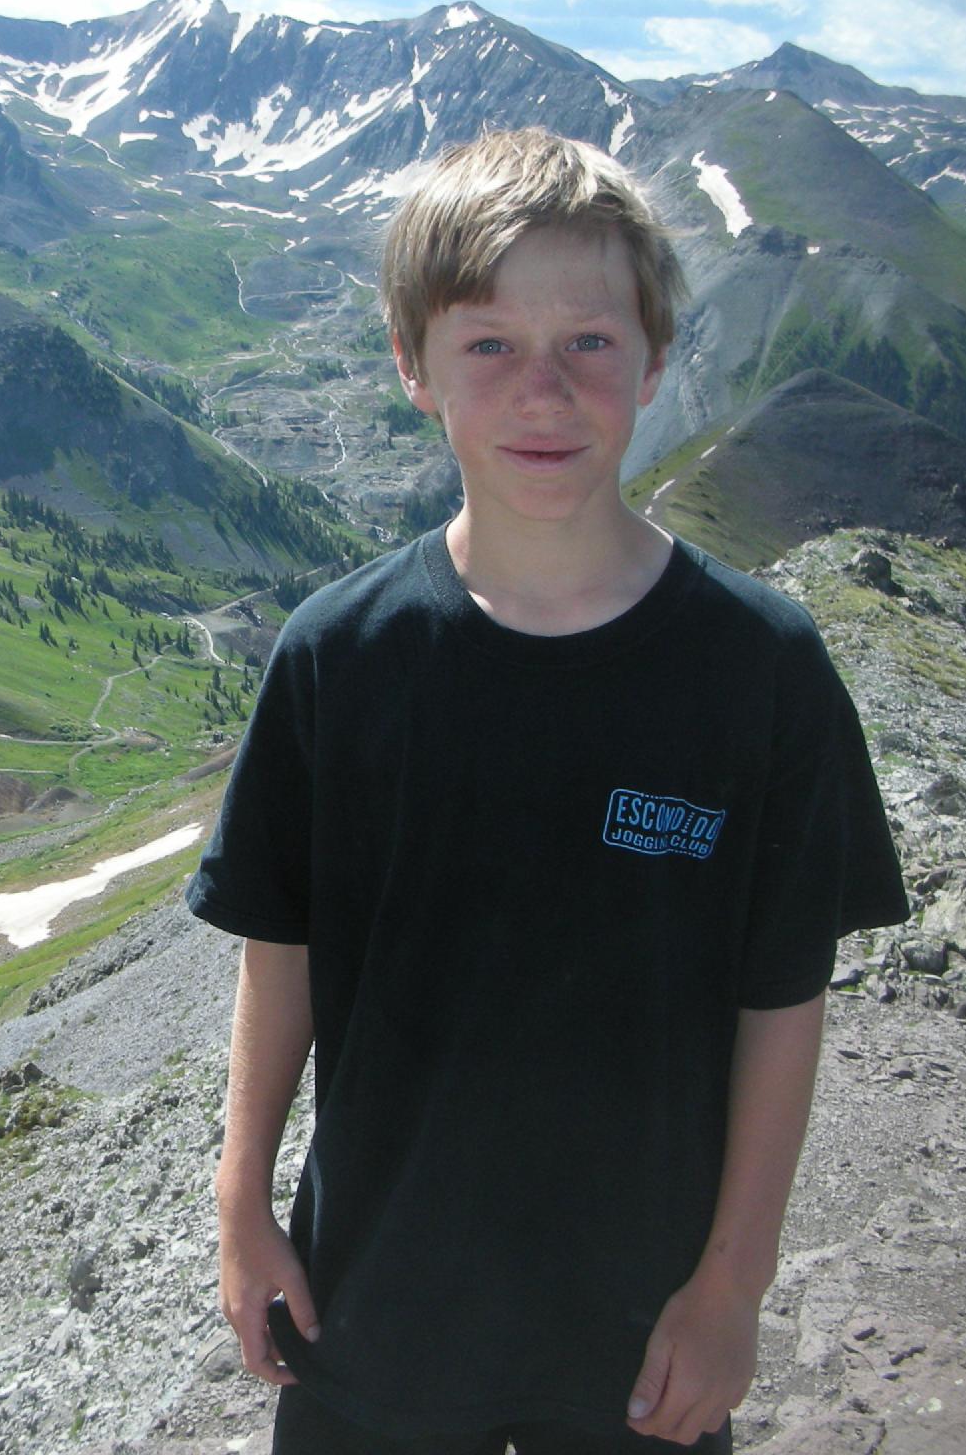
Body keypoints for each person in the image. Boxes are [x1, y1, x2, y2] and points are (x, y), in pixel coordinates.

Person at [186, 127, 908, 1455]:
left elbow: (783, 998)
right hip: (375, 1311)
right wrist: (243, 1204)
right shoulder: (337, 658)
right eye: (489, 345)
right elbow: (279, 949)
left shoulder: (761, 670)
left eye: (589, 342)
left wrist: (733, 1289)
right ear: (413, 369)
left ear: (655, 362)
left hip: (637, 1342)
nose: (544, 390)